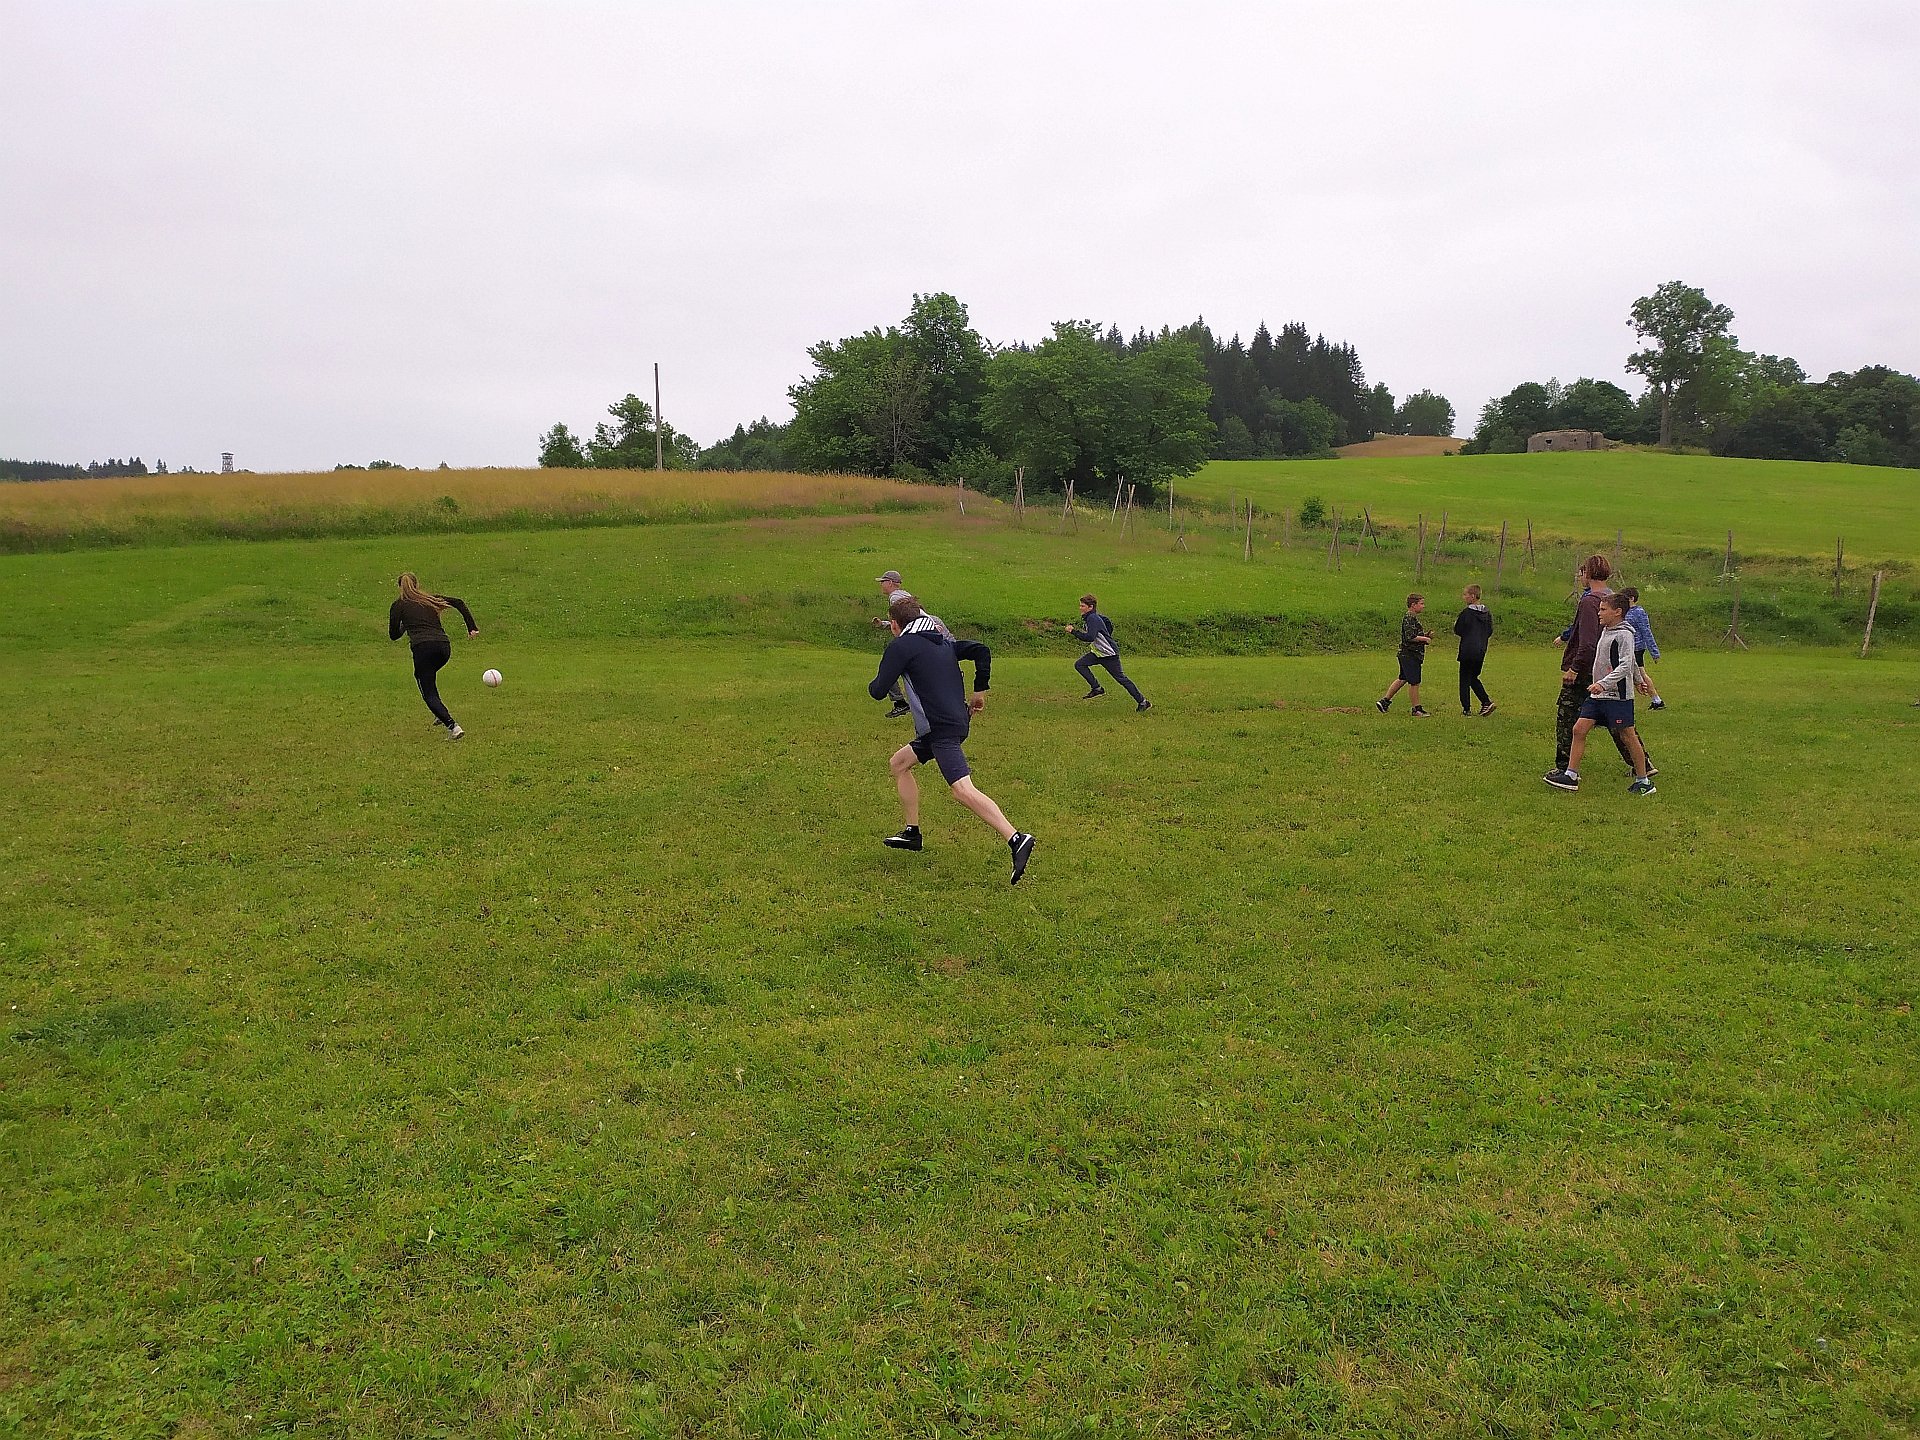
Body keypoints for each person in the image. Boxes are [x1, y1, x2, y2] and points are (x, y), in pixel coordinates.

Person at [868, 595, 1036, 884]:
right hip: (953, 723)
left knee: (962, 789)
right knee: (899, 763)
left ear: (894, 625)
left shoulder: (902, 646)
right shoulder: (943, 643)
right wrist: (979, 690)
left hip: (941, 729)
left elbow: (878, 691)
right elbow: (981, 650)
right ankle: (912, 833)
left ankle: (1016, 838)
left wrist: (883, 673)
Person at [1547, 554, 1648, 779]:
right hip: (1604, 672)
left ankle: (1565, 767)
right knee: (1611, 721)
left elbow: (1587, 642)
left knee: (1567, 715)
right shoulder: (1611, 598)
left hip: (1590, 671)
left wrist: (1574, 668)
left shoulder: (1590, 601)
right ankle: (1643, 764)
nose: (1579, 576)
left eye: (1582, 572)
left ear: (1589, 574)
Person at [389, 572, 478, 740]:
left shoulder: (398, 605)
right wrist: (472, 627)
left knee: (427, 690)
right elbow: (458, 602)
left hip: (423, 648)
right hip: (443, 648)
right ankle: (439, 712)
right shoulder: (429, 599)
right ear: (417, 584)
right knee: (429, 676)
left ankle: (453, 726)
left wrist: (405, 625)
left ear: (400, 587)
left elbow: (393, 635)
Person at [1069, 594, 1151, 712]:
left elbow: (1090, 637)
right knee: (1080, 664)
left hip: (1109, 655)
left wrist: (1073, 631)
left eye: (1082, 606)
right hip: (1098, 653)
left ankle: (1143, 702)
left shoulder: (1092, 618)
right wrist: (1106, 635)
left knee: (1121, 679)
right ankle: (1097, 688)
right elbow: (1108, 623)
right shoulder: (1093, 617)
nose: (1080, 608)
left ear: (1090, 607)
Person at [1376, 594, 1434, 716]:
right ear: (1413, 605)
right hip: (1410, 655)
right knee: (1414, 682)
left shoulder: (1413, 618)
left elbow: (1414, 635)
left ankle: (1384, 701)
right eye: (1421, 603)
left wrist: (1425, 636)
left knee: (1403, 678)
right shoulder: (1409, 618)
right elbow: (1410, 637)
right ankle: (1416, 709)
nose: (1423, 606)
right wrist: (1424, 639)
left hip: (1407, 654)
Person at [1619, 586, 1665, 709]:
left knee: (1640, 674)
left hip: (1636, 648)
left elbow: (1646, 632)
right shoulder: (1625, 611)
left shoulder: (1639, 612)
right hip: (1626, 648)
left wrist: (1654, 653)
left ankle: (1657, 701)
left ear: (1631, 598)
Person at [1453, 584, 1495, 716]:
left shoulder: (1466, 613)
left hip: (1467, 650)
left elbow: (1458, 630)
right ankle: (1486, 702)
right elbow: (1489, 631)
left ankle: (1466, 708)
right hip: (1481, 650)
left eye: (1465, 594)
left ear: (1472, 596)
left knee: (1464, 679)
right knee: (1473, 677)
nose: (1463, 597)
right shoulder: (1487, 613)